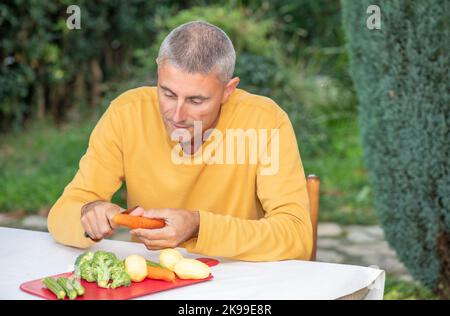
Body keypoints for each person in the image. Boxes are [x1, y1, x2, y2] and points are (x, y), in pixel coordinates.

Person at [47, 21, 312, 261]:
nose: (176, 115)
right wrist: (88, 213)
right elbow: (61, 214)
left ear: (227, 91)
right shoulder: (126, 113)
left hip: (238, 277)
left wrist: (199, 226)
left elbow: (296, 236)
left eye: (196, 100)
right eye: (168, 93)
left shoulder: (266, 121)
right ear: (158, 73)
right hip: (153, 280)